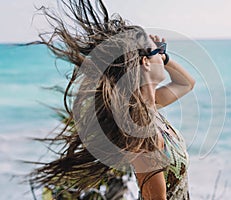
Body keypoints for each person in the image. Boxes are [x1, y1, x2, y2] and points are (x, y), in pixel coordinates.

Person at [29, 0, 195, 199]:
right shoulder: (144, 138)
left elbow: (186, 83)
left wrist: (162, 56)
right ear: (145, 63)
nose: (162, 54)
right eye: (158, 51)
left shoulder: (149, 108)